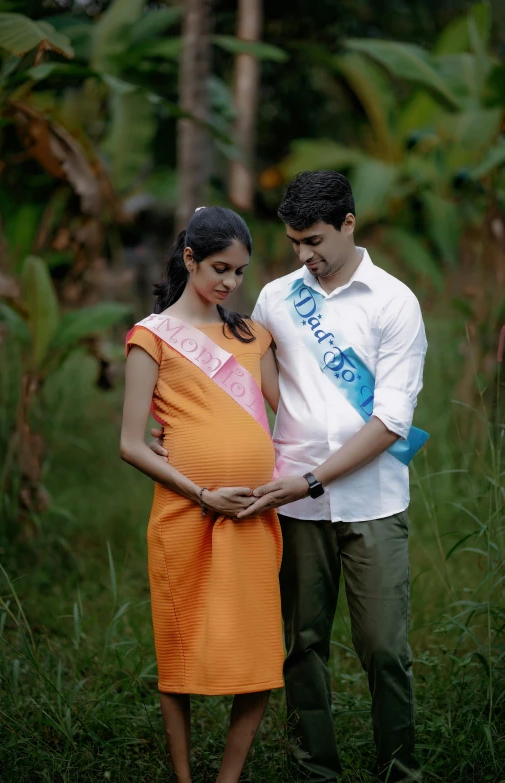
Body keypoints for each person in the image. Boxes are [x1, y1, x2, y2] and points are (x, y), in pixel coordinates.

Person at [151, 171, 428, 783]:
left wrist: (310, 480)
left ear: (349, 224)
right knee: (302, 647)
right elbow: (240, 380)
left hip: (371, 500)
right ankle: (313, 771)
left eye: (315, 241)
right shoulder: (278, 298)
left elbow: (389, 422)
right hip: (294, 508)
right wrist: (170, 425)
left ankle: (400, 770)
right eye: (295, 242)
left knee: (384, 650)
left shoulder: (394, 303)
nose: (305, 256)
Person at [120, 206, 284, 783]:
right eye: (219, 268)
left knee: (262, 652)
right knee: (180, 645)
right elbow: (132, 443)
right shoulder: (152, 336)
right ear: (189, 258)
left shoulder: (251, 334)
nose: (230, 283)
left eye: (239, 272)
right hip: (185, 514)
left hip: (255, 514)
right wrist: (201, 493)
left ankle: (228, 778)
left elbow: (292, 412)